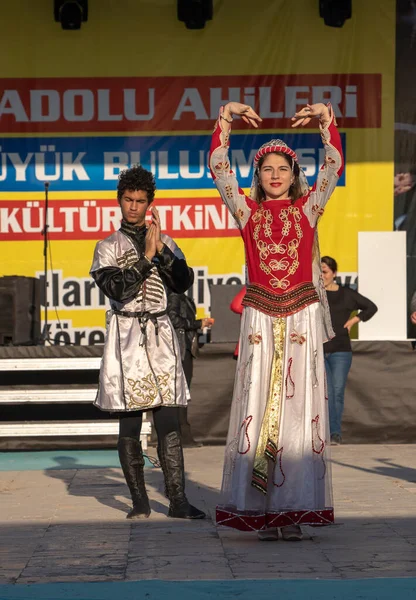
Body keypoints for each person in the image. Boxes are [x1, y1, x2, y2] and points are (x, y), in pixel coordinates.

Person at [209, 101, 344, 541]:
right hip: (260, 320)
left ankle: (291, 508)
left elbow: (333, 165)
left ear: (293, 173)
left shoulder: (308, 209)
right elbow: (218, 168)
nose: (274, 175)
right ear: (259, 175)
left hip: (301, 317)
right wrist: (225, 119)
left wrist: (327, 120)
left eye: (281, 168)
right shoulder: (247, 213)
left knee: (298, 414)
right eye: (266, 168)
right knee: (259, 411)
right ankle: (262, 508)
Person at [90, 165, 205, 521]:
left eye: (140, 201)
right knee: (129, 421)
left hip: (161, 333)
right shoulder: (106, 247)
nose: (134, 207)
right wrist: (146, 258)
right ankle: (139, 500)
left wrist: (162, 252)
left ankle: (178, 500)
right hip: (125, 338)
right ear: (119, 201)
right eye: (128, 200)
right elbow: (117, 288)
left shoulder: (166, 242)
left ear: (150, 202)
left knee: (168, 418)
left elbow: (183, 282)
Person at [321, 256, 378, 445]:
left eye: (325, 272)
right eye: (319, 272)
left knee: (336, 391)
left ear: (334, 274)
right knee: (326, 392)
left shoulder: (346, 294)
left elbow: (371, 307)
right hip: (319, 350)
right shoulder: (315, 296)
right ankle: (324, 433)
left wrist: (355, 320)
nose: (322, 276)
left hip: (340, 351)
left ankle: (335, 433)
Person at [166, 288, 214, 446]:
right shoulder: (173, 294)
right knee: (180, 392)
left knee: (181, 393)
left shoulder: (178, 295)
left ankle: (180, 434)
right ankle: (181, 435)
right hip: (179, 349)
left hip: (182, 347)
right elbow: (172, 319)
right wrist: (198, 323)